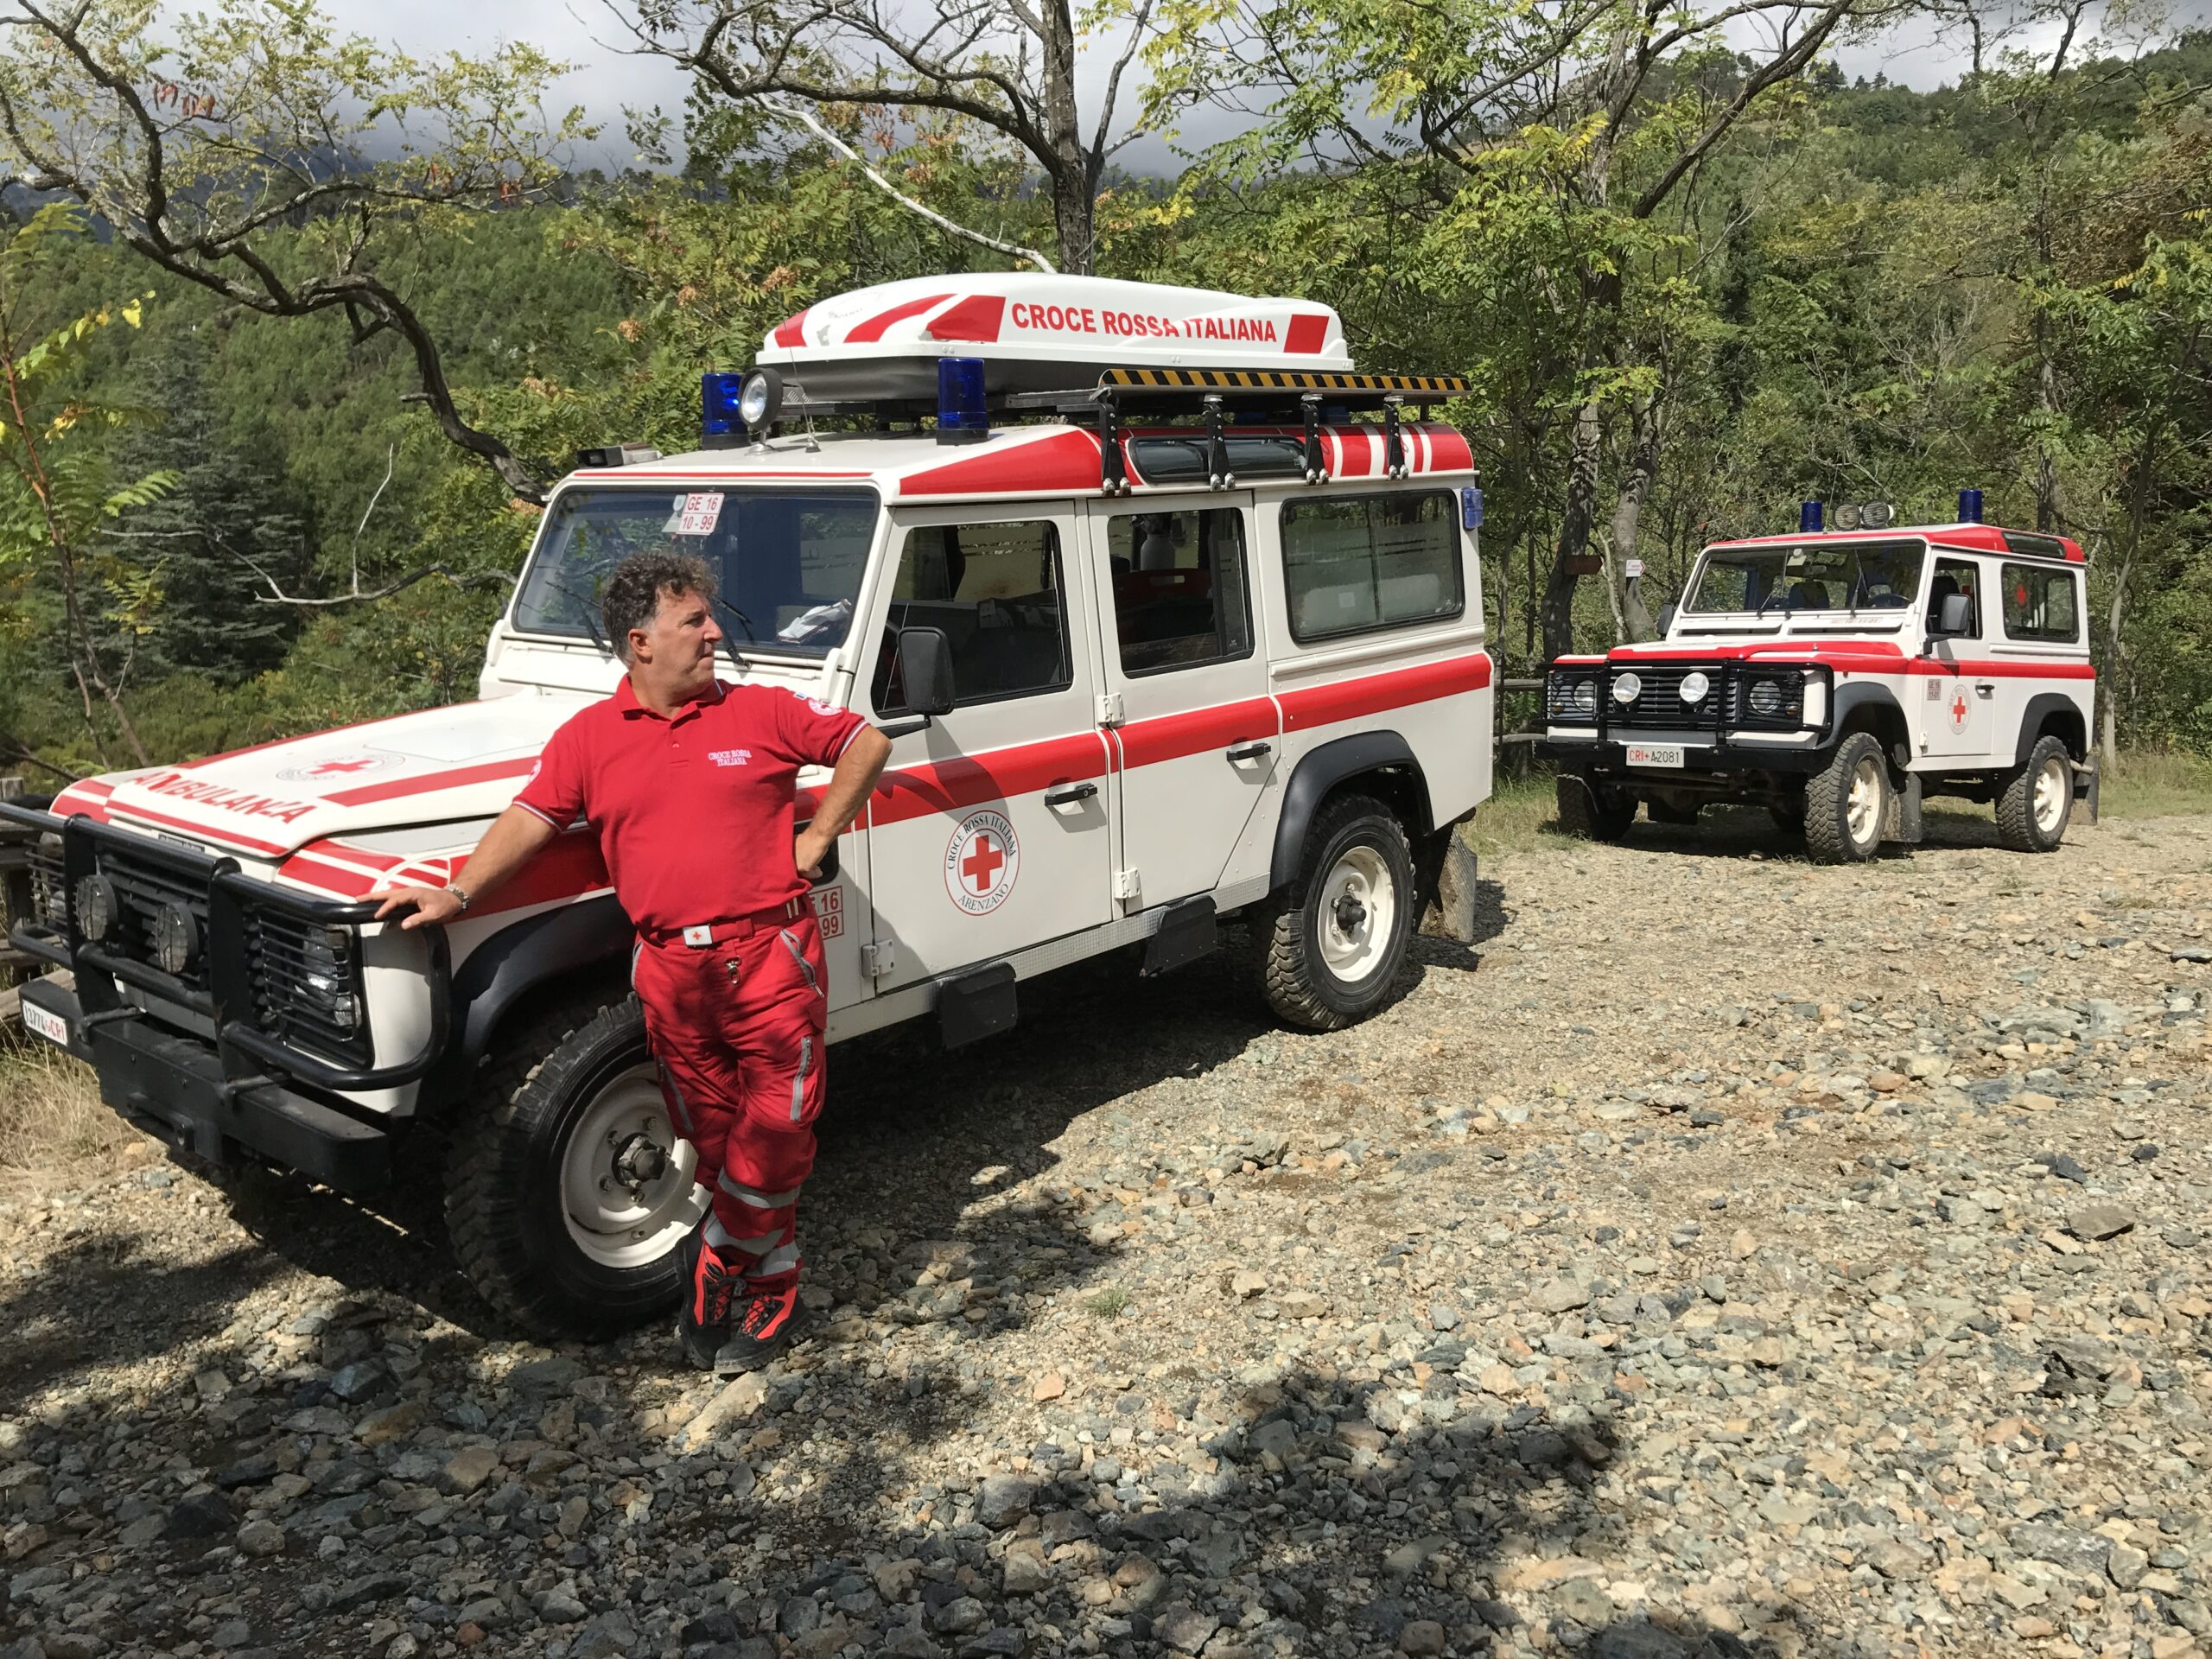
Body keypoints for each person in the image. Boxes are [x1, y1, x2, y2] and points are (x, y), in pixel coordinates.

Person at [374, 550, 892, 1374]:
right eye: (694, 620)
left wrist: (819, 834)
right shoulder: (589, 739)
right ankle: (775, 1277)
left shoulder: (760, 711)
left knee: (781, 1124)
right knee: (713, 1138)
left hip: (769, 959)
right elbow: (534, 814)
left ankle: (720, 1256)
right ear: (639, 641)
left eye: (709, 618)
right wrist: (459, 892)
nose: (716, 632)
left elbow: (868, 741)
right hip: (670, 976)